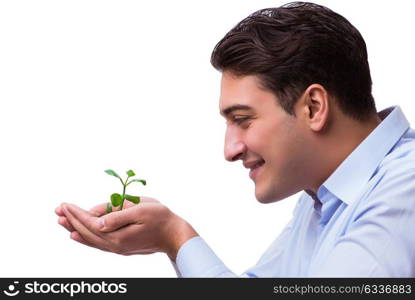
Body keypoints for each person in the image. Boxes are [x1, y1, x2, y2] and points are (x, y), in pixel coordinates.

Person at [55, 2, 415, 277]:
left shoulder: (405, 190)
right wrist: (172, 235)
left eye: (242, 120)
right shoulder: (323, 195)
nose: (230, 150)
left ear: (313, 107)